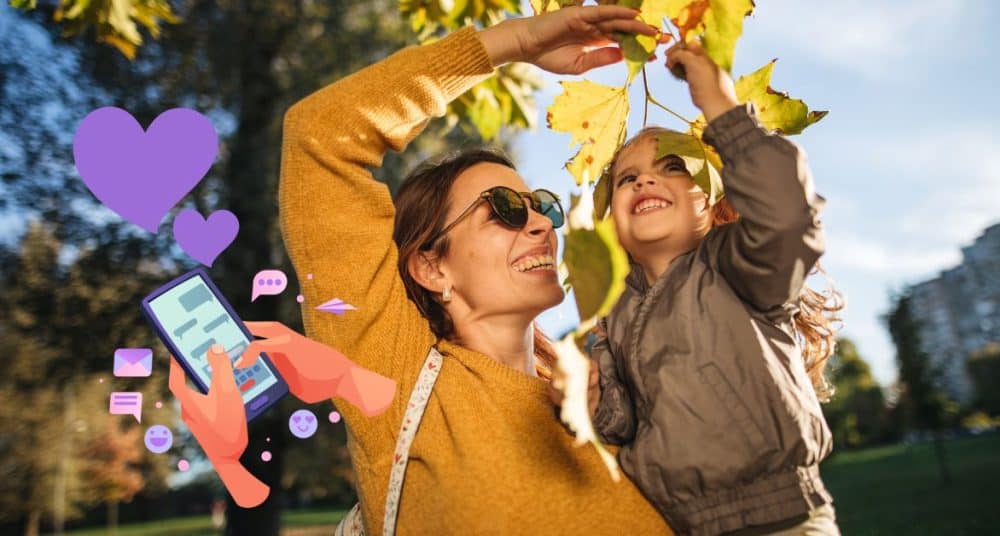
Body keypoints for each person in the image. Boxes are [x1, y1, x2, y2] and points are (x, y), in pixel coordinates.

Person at [169, 5, 675, 534]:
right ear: (432, 268)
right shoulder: (397, 375)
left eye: (542, 206)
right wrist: (515, 41)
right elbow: (319, 137)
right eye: (502, 208)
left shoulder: (605, 386)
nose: (540, 225)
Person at [574, 38, 846, 535]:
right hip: (676, 525)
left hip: (779, 517)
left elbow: (788, 218)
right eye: (626, 178)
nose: (643, 182)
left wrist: (723, 111)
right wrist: (591, 401)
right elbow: (621, 422)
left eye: (672, 166)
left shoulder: (738, 267)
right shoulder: (610, 316)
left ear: (712, 202)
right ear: (610, 222)